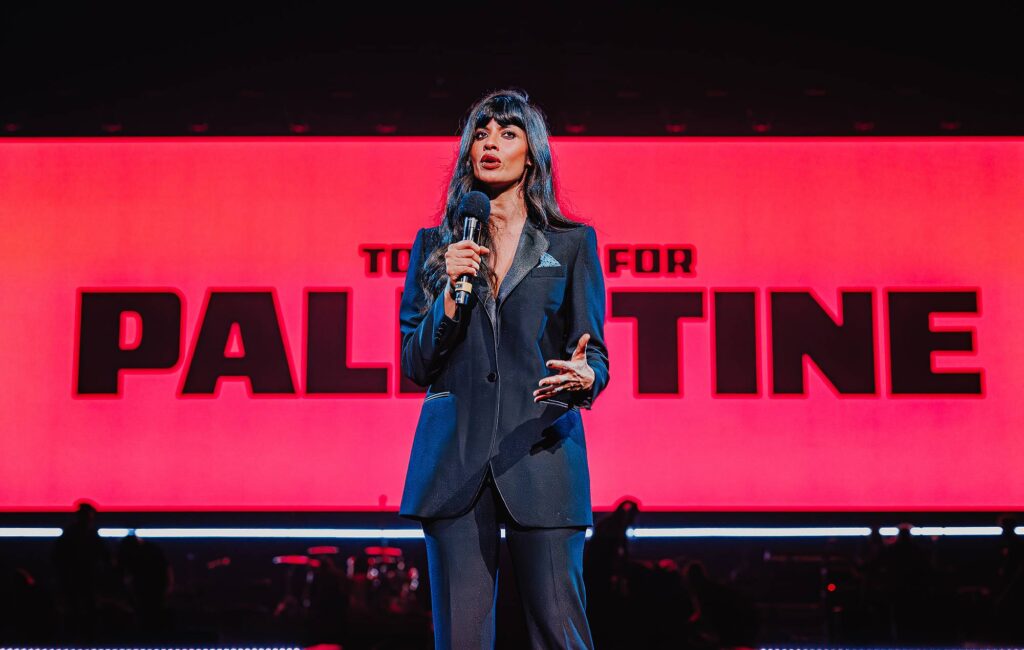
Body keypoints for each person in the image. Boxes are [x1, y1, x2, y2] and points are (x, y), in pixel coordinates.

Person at [397, 88, 610, 649]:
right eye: (481, 134)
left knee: (560, 633)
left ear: (531, 155)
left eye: (507, 133)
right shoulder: (435, 247)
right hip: (454, 464)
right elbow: (415, 362)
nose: (491, 143)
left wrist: (588, 379)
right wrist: (448, 295)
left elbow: (596, 353)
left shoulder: (571, 245)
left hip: (540, 454)